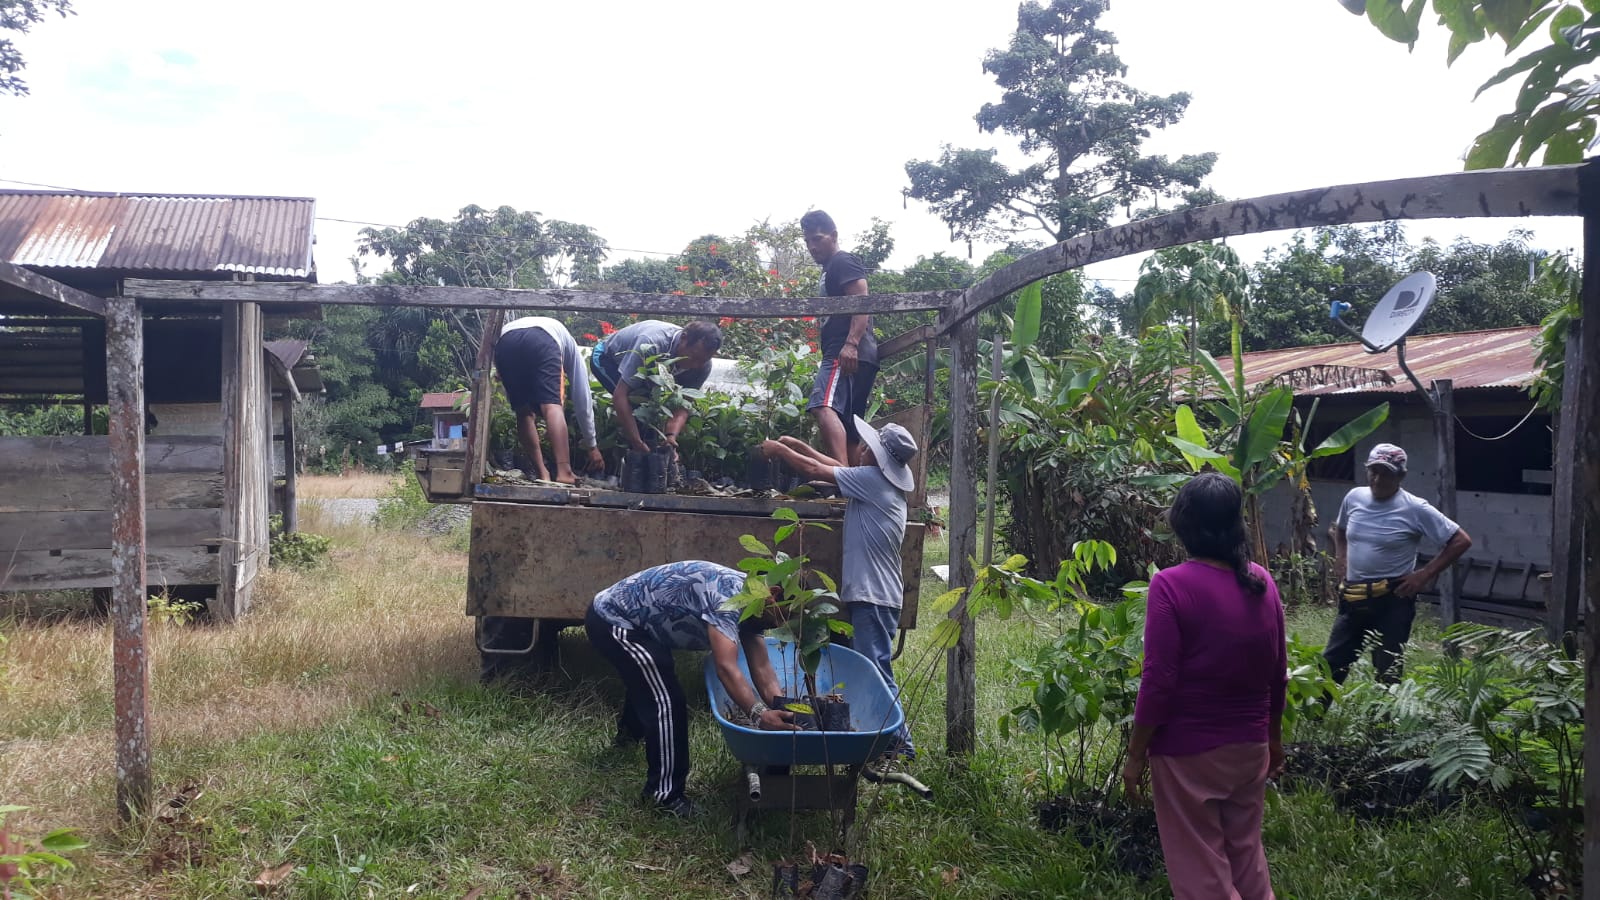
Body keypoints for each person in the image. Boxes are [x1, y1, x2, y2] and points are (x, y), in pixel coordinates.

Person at [1122, 473, 1287, 900]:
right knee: (1247, 860)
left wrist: (1136, 754)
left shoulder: (1170, 585)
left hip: (1187, 753)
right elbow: (1278, 671)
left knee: (1202, 876)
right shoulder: (1262, 581)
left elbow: (1158, 681)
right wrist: (1273, 739)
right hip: (1250, 748)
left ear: (1183, 525)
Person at [584, 560, 798, 817]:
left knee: (651, 678)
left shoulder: (753, 604)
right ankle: (663, 796)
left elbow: (762, 668)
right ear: (773, 594)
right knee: (665, 701)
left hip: (643, 626)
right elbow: (726, 668)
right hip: (613, 619)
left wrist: (784, 710)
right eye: (783, 615)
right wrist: (759, 715)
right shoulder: (727, 597)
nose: (780, 625)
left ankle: (627, 739)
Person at [759, 415, 917, 762]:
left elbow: (817, 471)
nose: (861, 449)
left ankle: (900, 743)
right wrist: (797, 445)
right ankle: (882, 738)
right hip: (878, 596)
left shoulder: (872, 481)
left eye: (868, 447)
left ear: (877, 459)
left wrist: (779, 451)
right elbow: (833, 467)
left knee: (876, 669)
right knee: (871, 665)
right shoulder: (876, 482)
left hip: (874, 596)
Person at [1323, 443, 1472, 683]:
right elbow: (1340, 530)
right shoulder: (1354, 497)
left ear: (1401, 476)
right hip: (1353, 596)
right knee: (1331, 665)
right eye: (1374, 472)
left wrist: (1424, 574)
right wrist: (1341, 557)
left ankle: (1385, 708)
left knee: (1388, 671)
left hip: (1392, 599)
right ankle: (1320, 708)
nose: (1377, 479)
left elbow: (1460, 540)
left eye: (1386, 474)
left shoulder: (1415, 508)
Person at [800, 210, 879, 465]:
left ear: (833, 236)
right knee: (850, 425)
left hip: (844, 351)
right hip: (858, 354)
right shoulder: (830, 268)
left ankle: (841, 475)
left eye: (817, 239)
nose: (812, 246)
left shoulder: (842, 261)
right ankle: (854, 481)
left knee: (822, 405)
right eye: (808, 241)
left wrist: (851, 343)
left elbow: (861, 300)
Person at [494, 316, 605, 484]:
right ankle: (564, 472)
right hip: (542, 339)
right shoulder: (571, 348)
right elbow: (582, 398)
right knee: (552, 406)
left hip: (506, 342)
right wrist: (592, 445)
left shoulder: (526, 328)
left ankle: (542, 473)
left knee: (523, 412)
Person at [588, 319, 721, 455]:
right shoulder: (651, 344)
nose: (696, 365)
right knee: (637, 409)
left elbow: (683, 405)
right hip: (606, 358)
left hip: (643, 370)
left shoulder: (702, 365)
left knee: (648, 417)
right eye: (693, 357)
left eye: (703, 361)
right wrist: (636, 442)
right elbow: (620, 396)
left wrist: (670, 437)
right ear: (683, 338)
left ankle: (647, 456)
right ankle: (627, 455)